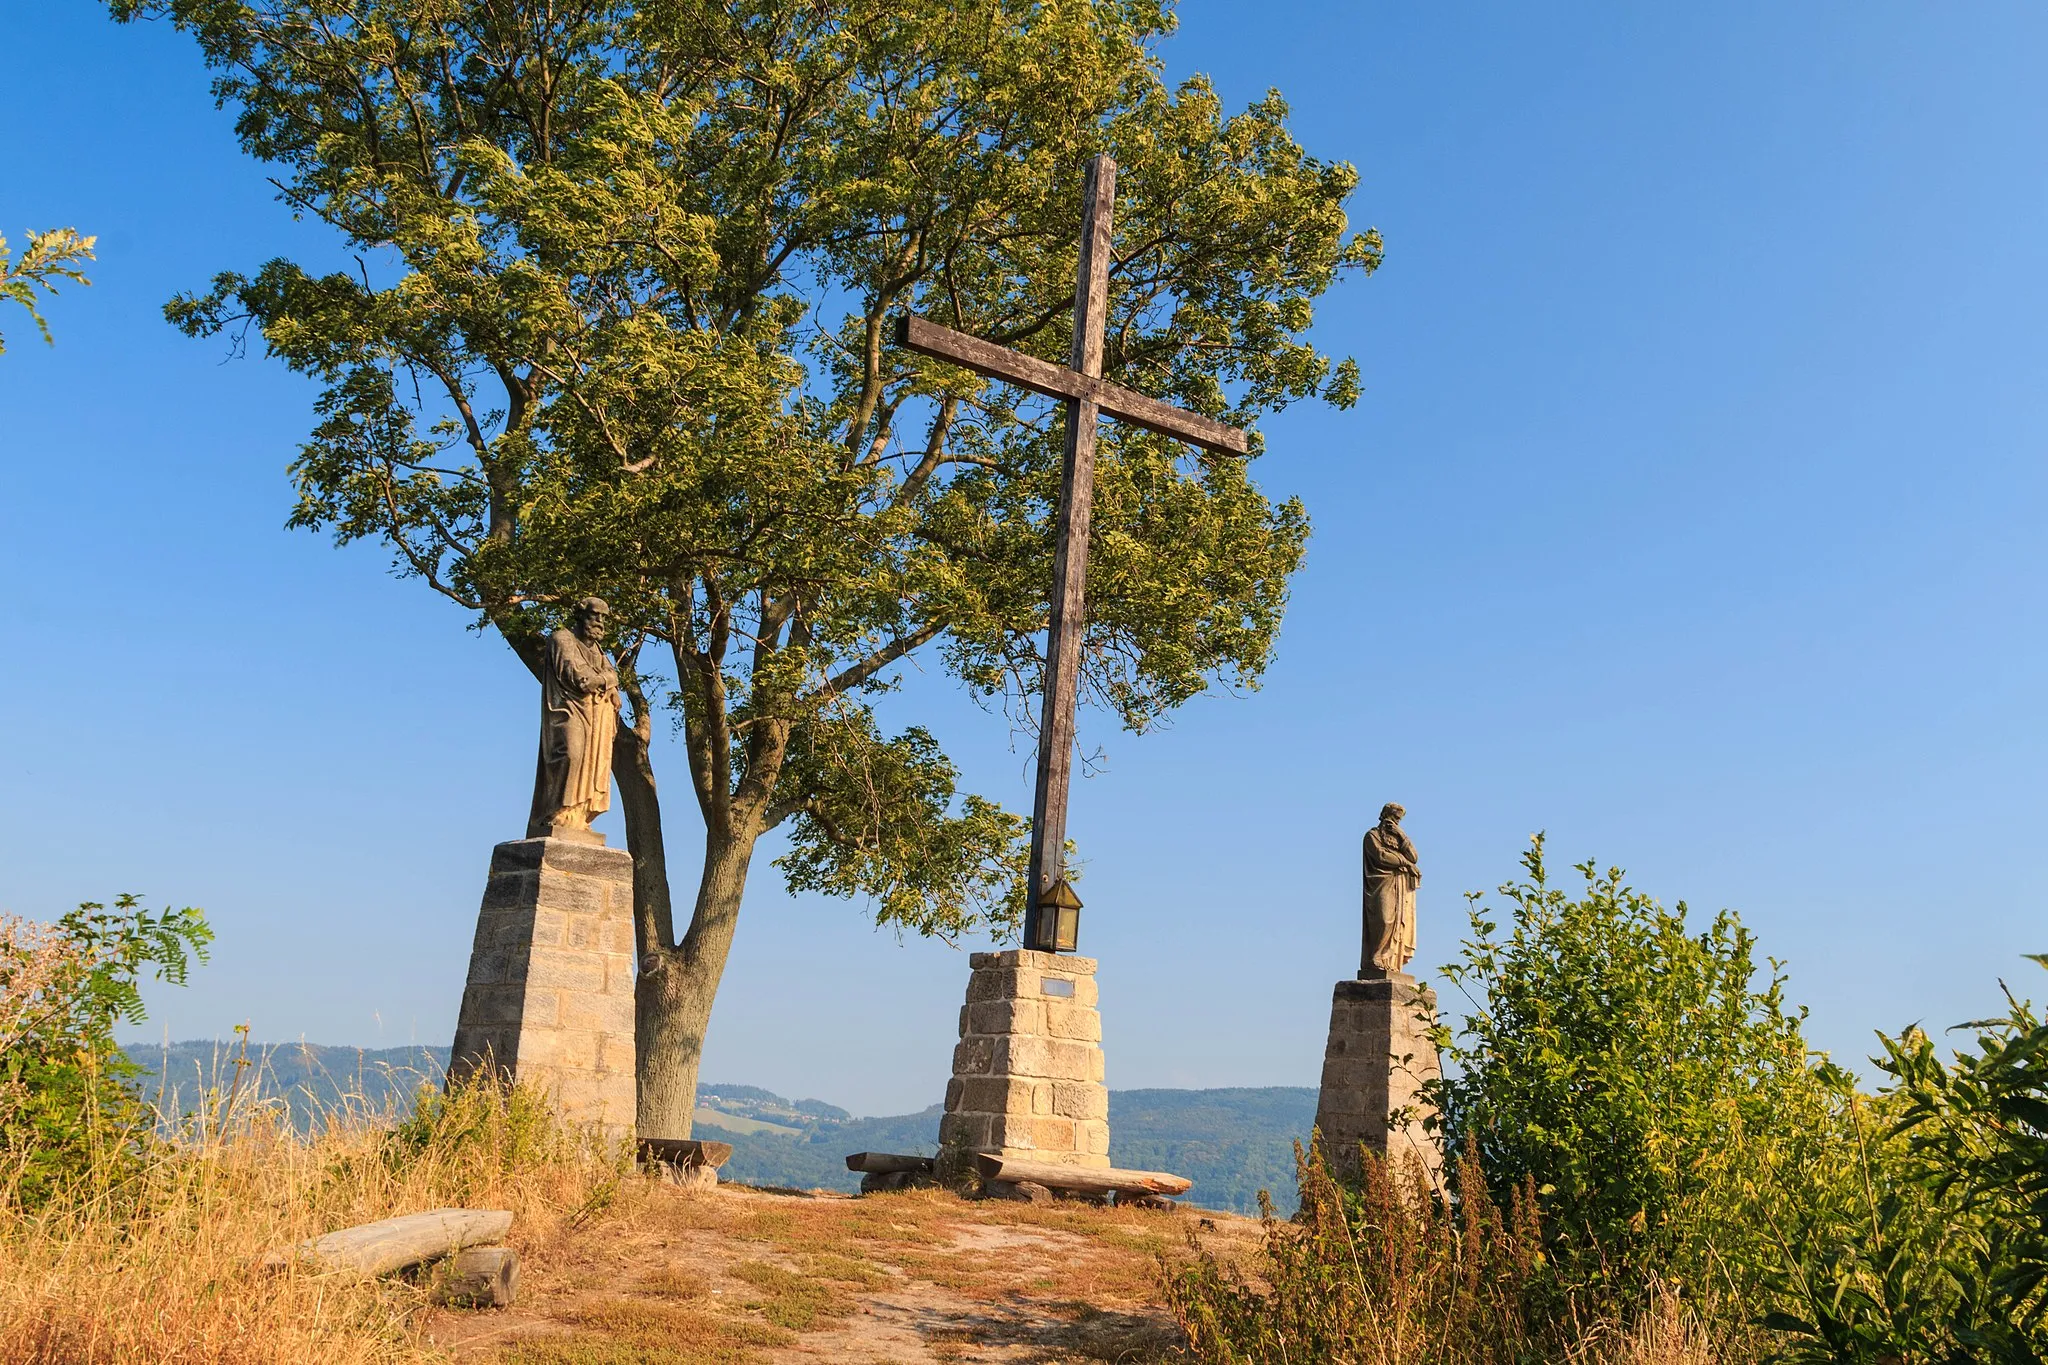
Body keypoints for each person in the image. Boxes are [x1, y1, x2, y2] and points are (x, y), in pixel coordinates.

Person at [527, 598, 620, 837]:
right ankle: (558, 811)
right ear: (580, 616)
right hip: (567, 710)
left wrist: (605, 680)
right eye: (594, 615)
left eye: (603, 618)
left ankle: (578, 815)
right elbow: (579, 677)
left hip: (595, 717)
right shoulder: (562, 639)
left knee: (592, 763)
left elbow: (612, 674)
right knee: (571, 753)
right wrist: (606, 681)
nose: (599, 622)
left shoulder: (598, 651)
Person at [1361, 802, 1421, 975]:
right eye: (1393, 818)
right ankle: (1376, 958)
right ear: (1385, 816)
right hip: (1381, 884)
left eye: (1398, 820)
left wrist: (1401, 835)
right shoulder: (1372, 836)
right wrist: (1405, 863)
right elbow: (1381, 856)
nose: (1394, 822)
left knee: (1396, 923)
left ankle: (1389, 960)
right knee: (1384, 919)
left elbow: (1414, 857)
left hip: (1399, 886)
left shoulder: (1399, 839)